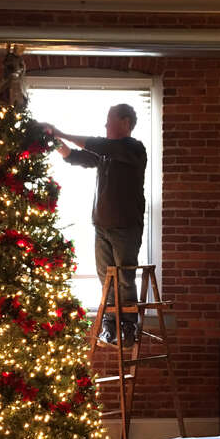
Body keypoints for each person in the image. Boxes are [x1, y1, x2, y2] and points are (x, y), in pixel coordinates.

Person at [46, 104, 147, 346]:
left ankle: (128, 328)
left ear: (125, 122)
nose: (105, 125)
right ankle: (110, 327)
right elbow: (75, 156)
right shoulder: (105, 153)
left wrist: (61, 132)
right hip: (101, 226)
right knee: (106, 279)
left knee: (125, 277)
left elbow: (98, 144)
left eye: (109, 120)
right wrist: (53, 140)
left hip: (126, 227)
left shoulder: (133, 148)